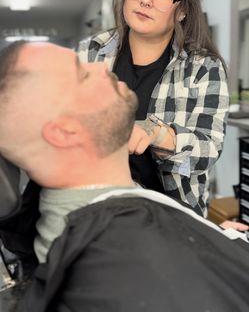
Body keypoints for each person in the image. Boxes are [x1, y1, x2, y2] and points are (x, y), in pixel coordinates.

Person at [0, 41, 249, 312]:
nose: (100, 66)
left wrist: (213, 242)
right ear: (64, 132)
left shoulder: (98, 213)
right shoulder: (139, 270)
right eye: (82, 74)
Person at [78, 0, 229, 217]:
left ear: (182, 9)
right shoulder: (91, 52)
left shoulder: (203, 69)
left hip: (172, 220)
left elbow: (207, 152)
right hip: (96, 209)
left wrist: (159, 134)